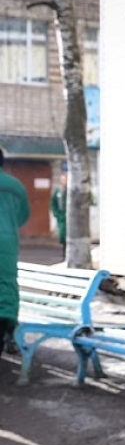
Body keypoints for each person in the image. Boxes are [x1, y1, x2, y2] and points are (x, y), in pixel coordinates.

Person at [0, 148, 31, 355]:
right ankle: (9, 331)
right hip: (8, 243)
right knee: (7, 284)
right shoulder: (15, 185)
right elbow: (23, 216)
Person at [50, 171, 67, 254]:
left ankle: (67, 251)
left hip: (69, 216)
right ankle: (64, 249)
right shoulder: (58, 190)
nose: (63, 181)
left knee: (68, 234)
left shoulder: (70, 190)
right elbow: (53, 202)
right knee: (62, 234)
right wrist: (55, 212)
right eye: (62, 179)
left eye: (65, 179)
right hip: (61, 215)